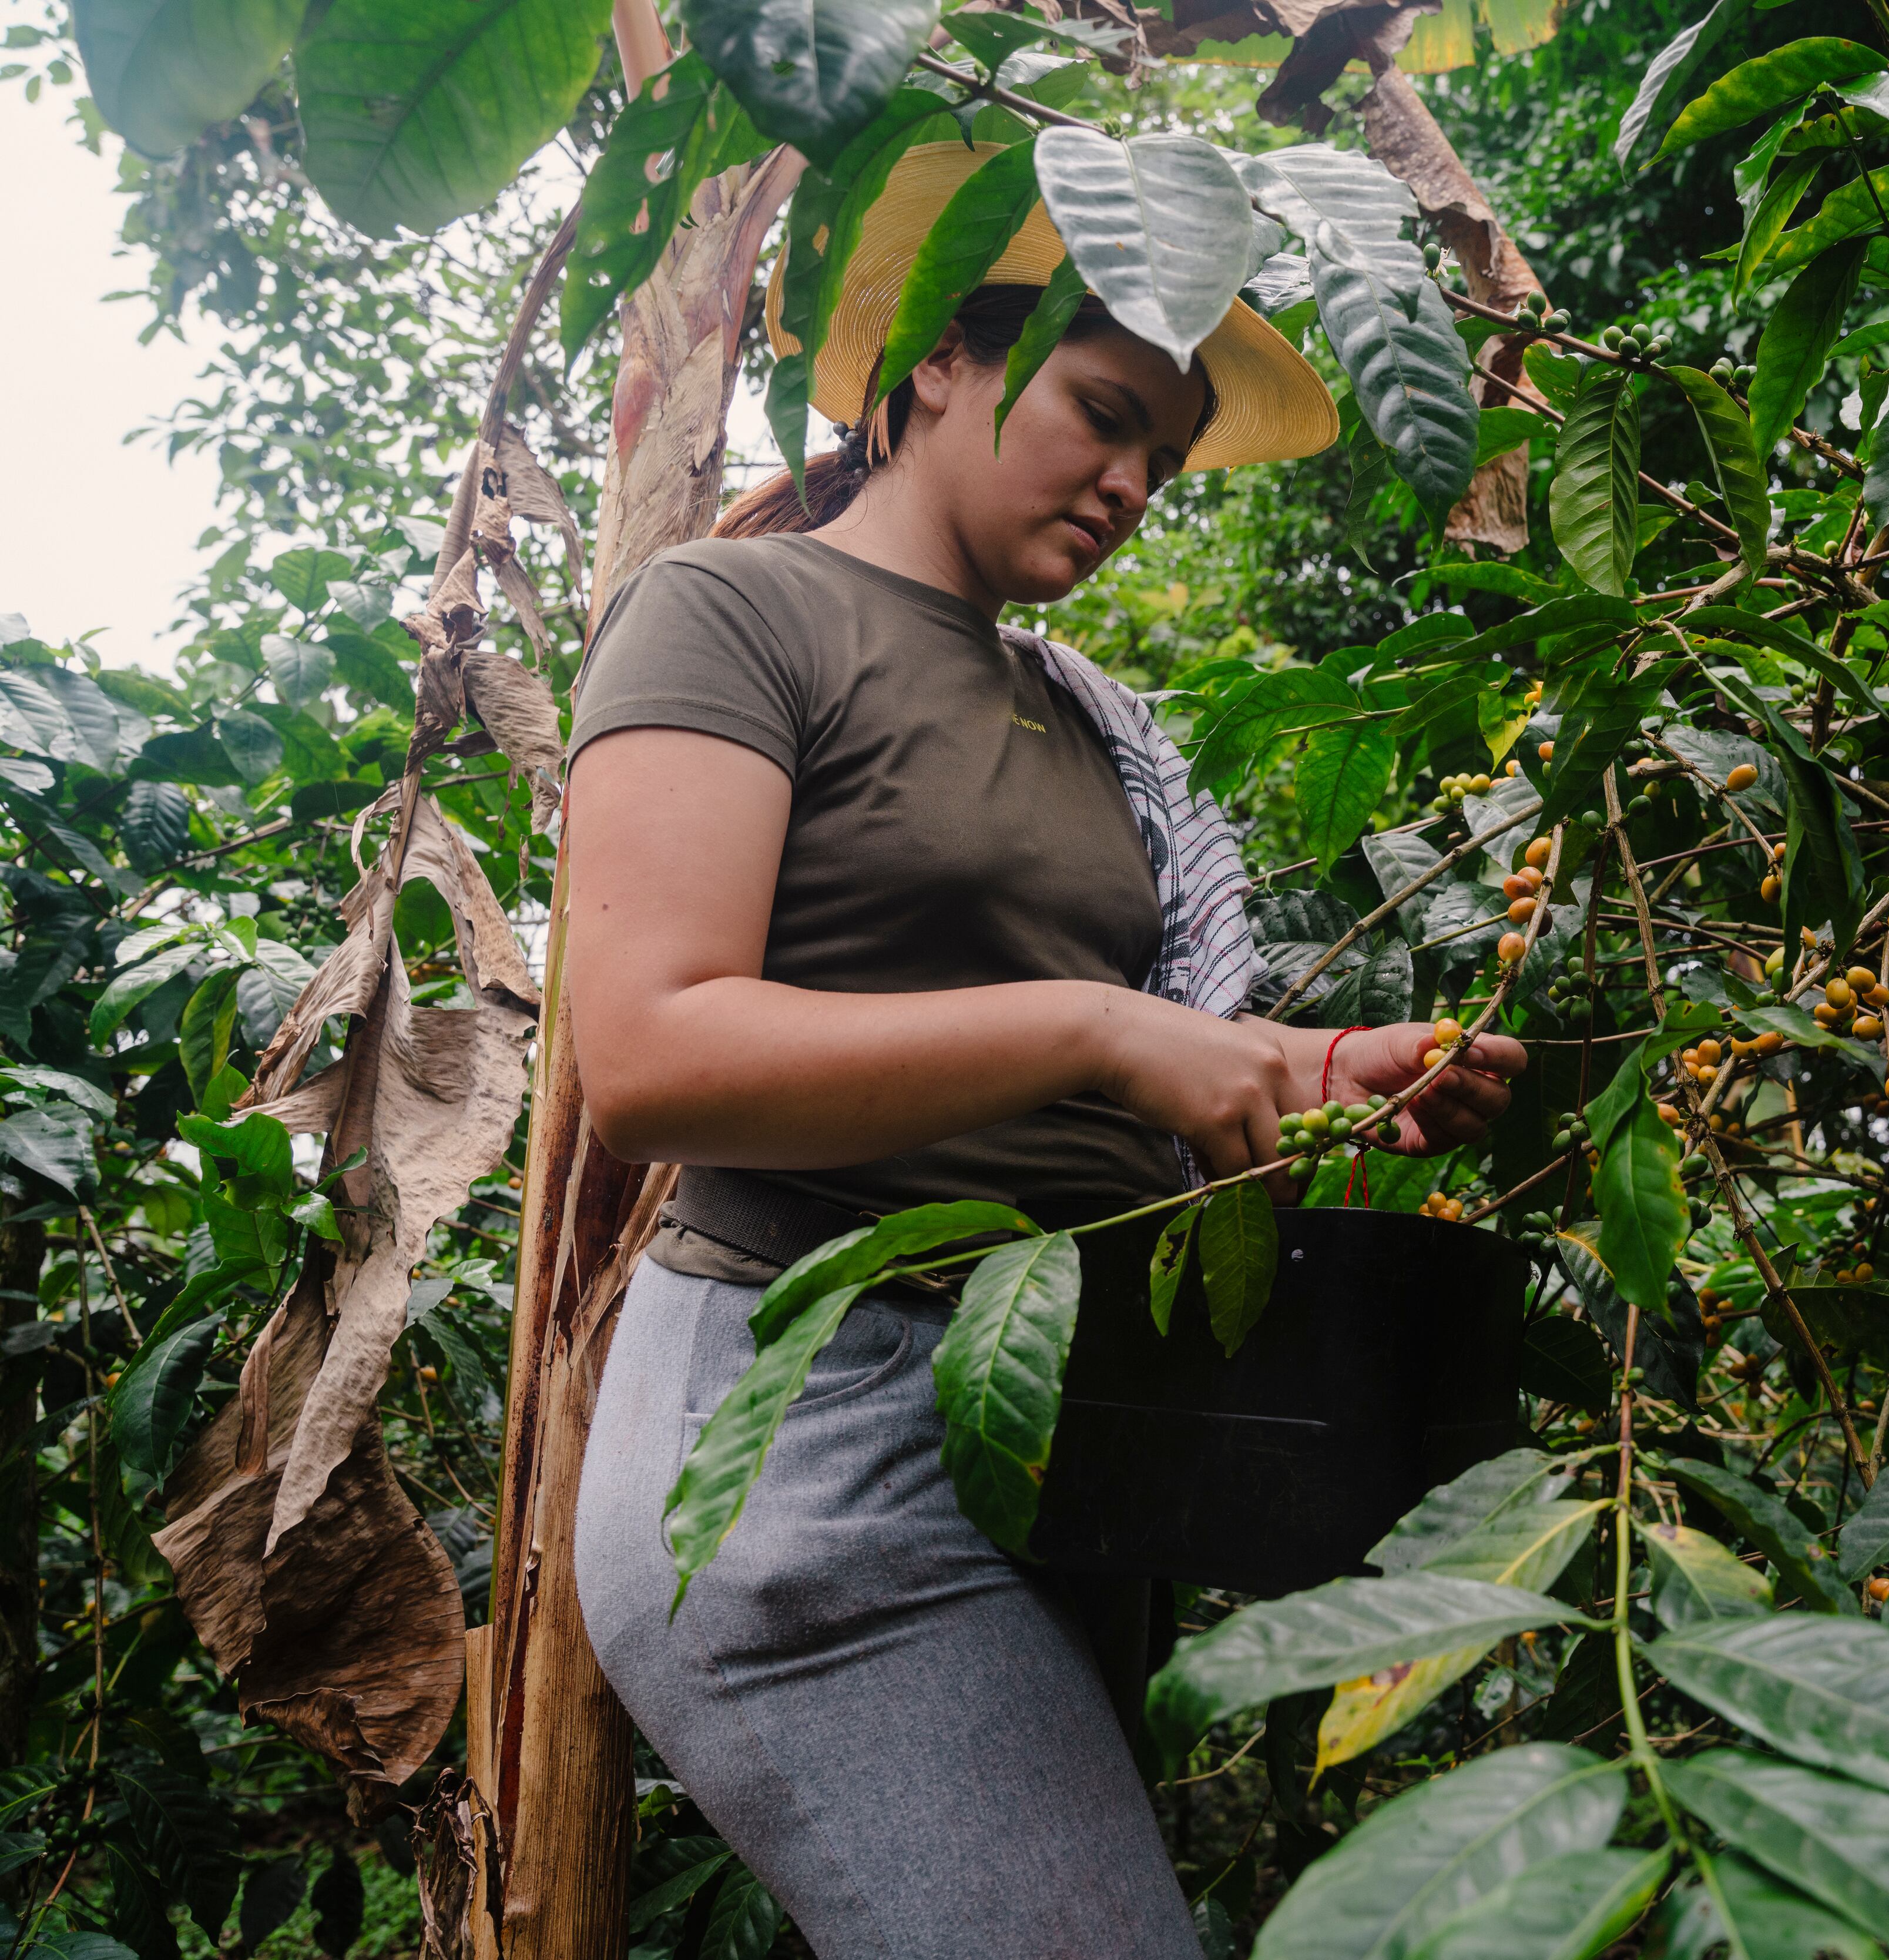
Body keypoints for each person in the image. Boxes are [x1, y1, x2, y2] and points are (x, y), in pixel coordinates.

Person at [565, 141, 1525, 1960]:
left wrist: (1318, 1073)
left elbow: (1110, 1062)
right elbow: (650, 1054)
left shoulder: (1082, 717)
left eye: (1162, 456)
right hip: (809, 1433)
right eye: (1101, 411)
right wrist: (1106, 1027)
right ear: (934, 357)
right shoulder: (736, 613)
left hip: (1062, 1430)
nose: (1133, 480)